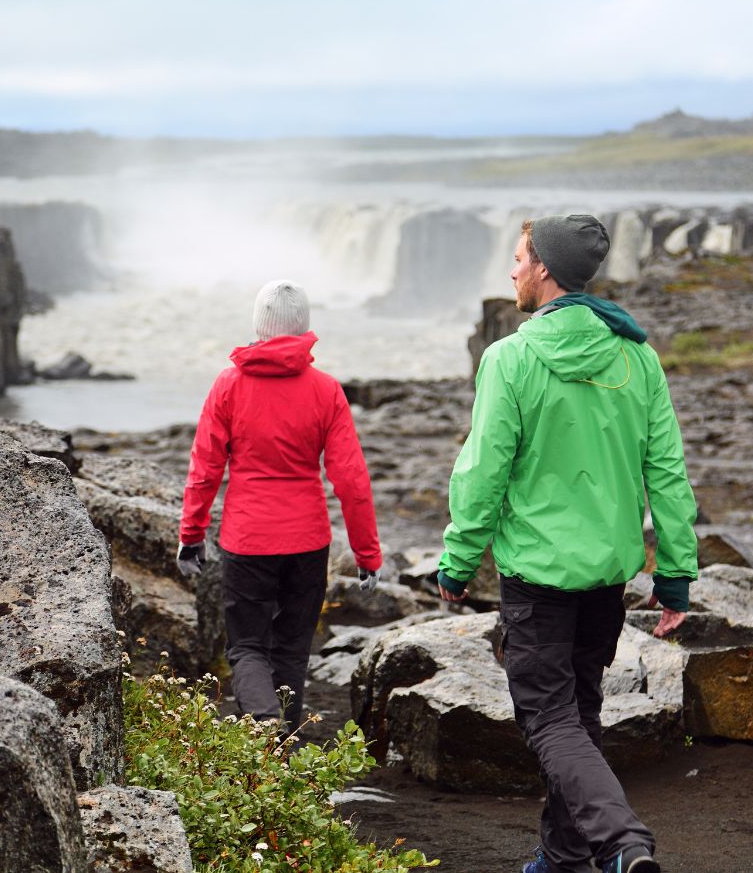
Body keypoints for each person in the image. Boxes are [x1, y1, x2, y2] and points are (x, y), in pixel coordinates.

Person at [436, 215, 697, 873]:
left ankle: (623, 842)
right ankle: (560, 861)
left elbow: (483, 471)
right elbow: (665, 473)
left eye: (520, 258)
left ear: (546, 269)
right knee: (577, 717)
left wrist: (458, 563)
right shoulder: (636, 355)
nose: (513, 270)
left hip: (540, 583)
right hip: (605, 582)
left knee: (550, 721)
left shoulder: (512, 359)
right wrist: (675, 577)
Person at [177, 280, 382, 733]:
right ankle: (281, 744)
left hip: (248, 539)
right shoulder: (326, 390)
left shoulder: (228, 385)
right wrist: (368, 555)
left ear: (259, 326)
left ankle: (263, 725)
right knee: (291, 649)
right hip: (308, 541)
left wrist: (191, 535)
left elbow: (205, 467)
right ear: (304, 328)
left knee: (247, 646)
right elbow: (352, 481)